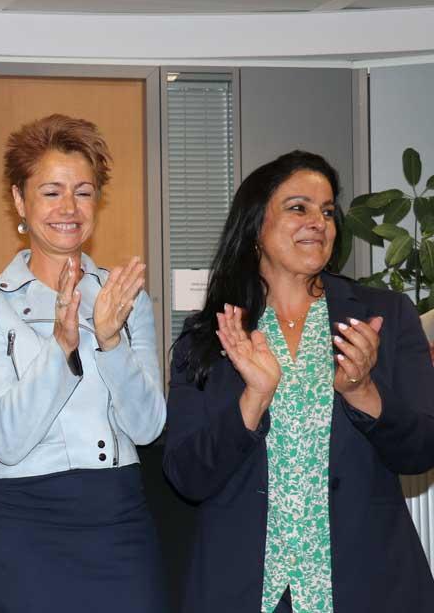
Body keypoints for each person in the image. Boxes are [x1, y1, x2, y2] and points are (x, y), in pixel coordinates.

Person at [163, 150, 434, 612]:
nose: (319, 222)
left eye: (327, 211)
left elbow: (422, 449)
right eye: (298, 207)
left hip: (365, 583)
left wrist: (361, 392)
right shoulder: (210, 334)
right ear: (255, 227)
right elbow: (186, 475)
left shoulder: (383, 317)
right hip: (245, 588)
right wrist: (254, 398)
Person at [0, 114, 166, 611]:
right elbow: (4, 440)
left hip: (118, 517)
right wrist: (61, 347)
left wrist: (110, 341)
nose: (69, 208)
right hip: (27, 521)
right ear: (20, 199)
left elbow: (147, 427)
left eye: (83, 191)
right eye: (51, 191)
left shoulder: (124, 297)